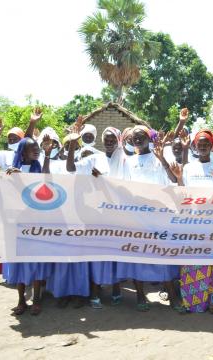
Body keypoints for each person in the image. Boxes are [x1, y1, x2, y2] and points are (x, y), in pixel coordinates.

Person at [117, 125, 183, 312]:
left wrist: (161, 158)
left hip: (160, 215)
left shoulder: (161, 157)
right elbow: (123, 187)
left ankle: (173, 297)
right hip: (138, 216)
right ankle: (140, 296)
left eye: (141, 136)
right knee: (139, 255)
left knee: (164, 255)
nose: (137, 140)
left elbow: (172, 180)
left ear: (149, 139)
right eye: (134, 137)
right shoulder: (128, 161)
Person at [170, 130, 213, 314]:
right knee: (193, 261)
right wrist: (179, 178)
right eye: (199, 144)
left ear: (212, 146)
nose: (203, 146)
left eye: (206, 144)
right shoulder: (188, 168)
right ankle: (194, 302)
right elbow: (183, 195)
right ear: (195, 146)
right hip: (193, 222)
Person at [66, 124, 126, 308]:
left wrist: (103, 180)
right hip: (94, 215)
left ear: (118, 141)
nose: (109, 142)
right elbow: (70, 168)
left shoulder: (126, 160)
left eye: (112, 139)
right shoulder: (95, 159)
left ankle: (116, 289)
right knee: (96, 253)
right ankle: (95, 291)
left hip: (117, 217)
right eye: (106, 139)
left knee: (115, 254)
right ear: (102, 141)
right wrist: (72, 144)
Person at [3, 134, 54, 315]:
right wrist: (8, 177)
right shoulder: (11, 169)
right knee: (19, 262)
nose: (36, 150)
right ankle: (21, 300)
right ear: (22, 152)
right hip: (17, 224)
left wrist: (47, 155)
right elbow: (2, 187)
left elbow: (46, 181)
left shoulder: (37, 167)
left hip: (35, 223)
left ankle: (37, 300)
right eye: (32, 148)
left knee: (36, 262)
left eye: (37, 149)